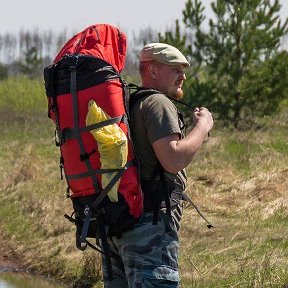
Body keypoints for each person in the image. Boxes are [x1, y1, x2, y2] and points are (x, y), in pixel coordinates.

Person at [101, 43, 214, 288]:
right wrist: (202, 128)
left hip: (119, 224)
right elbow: (173, 160)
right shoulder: (157, 104)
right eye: (175, 69)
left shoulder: (128, 103)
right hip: (148, 228)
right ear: (152, 70)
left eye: (183, 70)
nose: (183, 76)